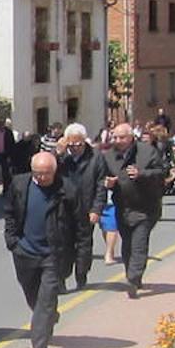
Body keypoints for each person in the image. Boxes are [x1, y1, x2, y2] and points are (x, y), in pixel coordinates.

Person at [3, 152, 78, 348]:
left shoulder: (67, 189)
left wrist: (80, 256)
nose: (42, 178)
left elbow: (79, 224)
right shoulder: (20, 184)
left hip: (53, 254)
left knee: (45, 299)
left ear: (54, 171)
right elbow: (9, 212)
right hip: (24, 251)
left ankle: (40, 342)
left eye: (46, 174)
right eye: (38, 173)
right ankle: (48, 316)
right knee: (33, 296)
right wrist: (12, 241)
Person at [93, 124, 165, 298]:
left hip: (146, 207)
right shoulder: (108, 156)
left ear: (131, 137)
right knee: (127, 245)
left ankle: (133, 279)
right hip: (123, 207)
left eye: (122, 137)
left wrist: (142, 174)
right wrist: (108, 183)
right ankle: (132, 274)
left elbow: (161, 172)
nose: (118, 141)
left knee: (139, 244)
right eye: (115, 137)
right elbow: (101, 179)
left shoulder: (147, 152)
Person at [59, 123, 104, 289]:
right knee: (63, 245)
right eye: (71, 144)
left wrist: (96, 209)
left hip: (86, 207)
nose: (74, 148)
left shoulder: (96, 157)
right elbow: (47, 171)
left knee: (84, 245)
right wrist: (58, 153)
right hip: (64, 208)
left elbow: (101, 185)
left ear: (84, 142)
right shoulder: (62, 157)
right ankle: (61, 278)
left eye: (78, 144)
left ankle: (81, 274)